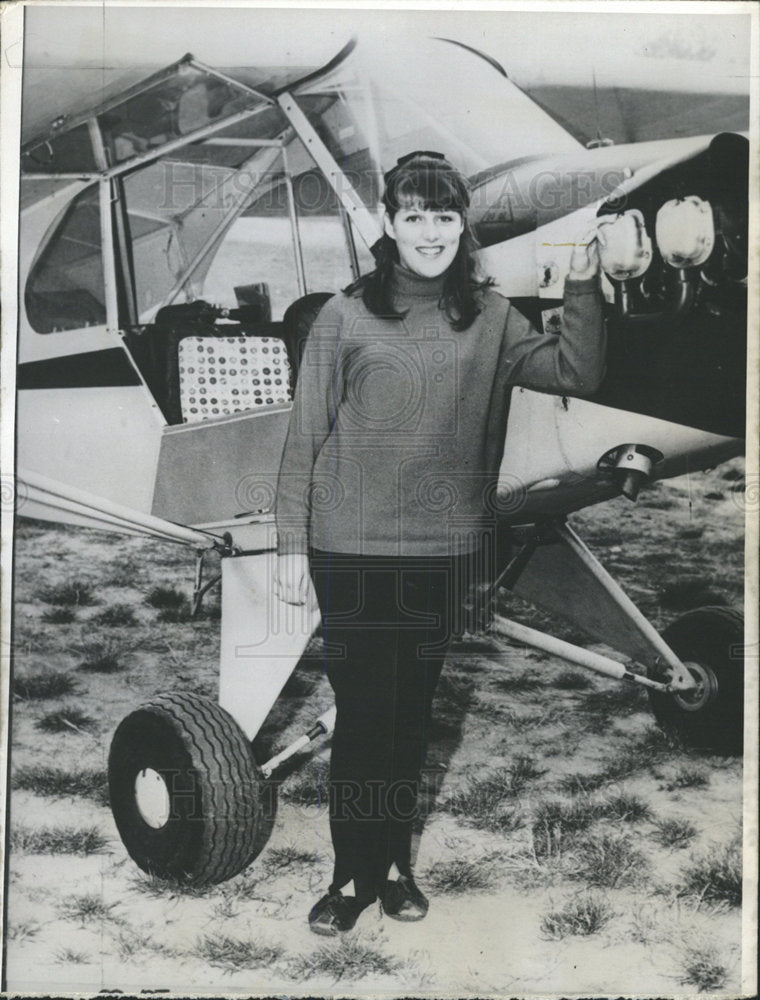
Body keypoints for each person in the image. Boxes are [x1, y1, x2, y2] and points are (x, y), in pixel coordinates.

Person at [273, 150, 604, 936]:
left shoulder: (491, 318)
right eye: (414, 216)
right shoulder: (343, 316)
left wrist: (585, 281)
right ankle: (352, 877)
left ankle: (393, 864)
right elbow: (302, 437)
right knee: (362, 714)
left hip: (442, 550)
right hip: (349, 547)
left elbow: (578, 373)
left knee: (409, 713)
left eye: (445, 217)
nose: (430, 232)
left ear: (463, 226)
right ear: (389, 224)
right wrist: (290, 545)